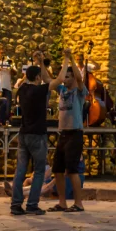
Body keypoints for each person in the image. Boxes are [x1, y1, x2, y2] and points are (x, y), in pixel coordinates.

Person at [10, 52, 65, 216]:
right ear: (38, 77)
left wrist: (39, 62)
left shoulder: (21, 89)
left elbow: (40, 78)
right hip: (37, 134)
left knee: (20, 170)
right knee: (40, 170)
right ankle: (32, 204)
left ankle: (16, 204)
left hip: (23, 133)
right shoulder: (40, 90)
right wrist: (66, 59)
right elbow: (58, 80)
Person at [48, 49, 88, 213]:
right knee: (57, 170)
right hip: (63, 133)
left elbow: (79, 78)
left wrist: (70, 58)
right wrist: (41, 63)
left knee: (72, 170)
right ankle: (62, 202)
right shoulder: (62, 90)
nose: (65, 79)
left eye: (67, 76)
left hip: (75, 133)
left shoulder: (79, 92)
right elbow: (47, 79)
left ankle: (78, 203)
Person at [0, 45, 16, 122]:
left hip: (6, 86)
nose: (3, 54)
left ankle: (6, 122)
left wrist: (10, 67)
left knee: (7, 106)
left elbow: (14, 73)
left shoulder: (10, 61)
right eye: (1, 52)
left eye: (4, 53)